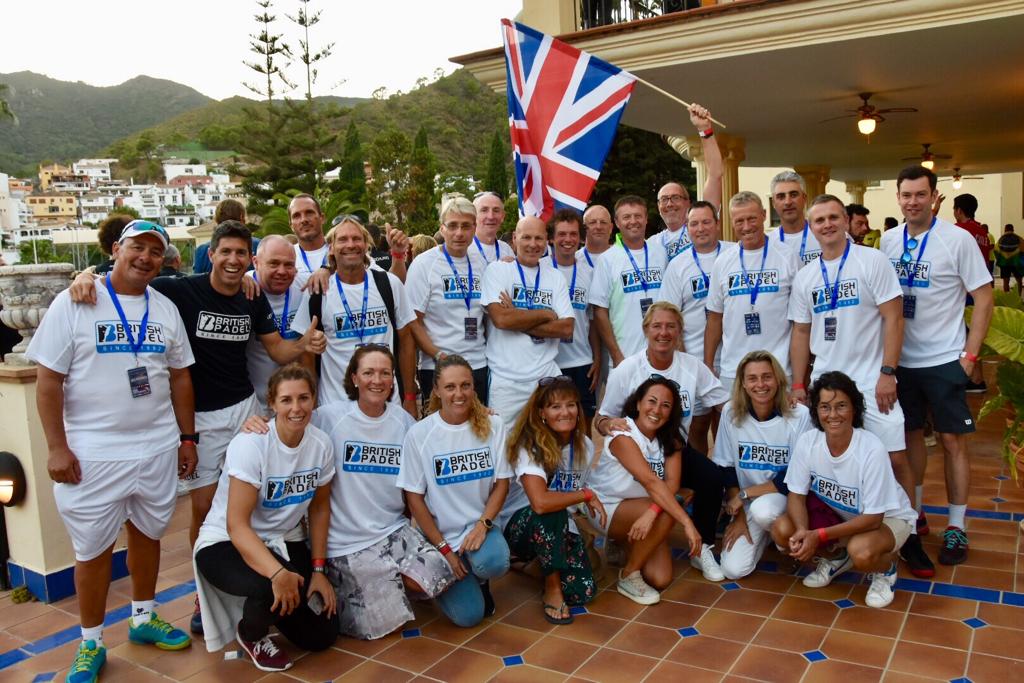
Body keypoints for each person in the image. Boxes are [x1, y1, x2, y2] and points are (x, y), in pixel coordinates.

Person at [68, 220, 327, 635]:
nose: (233, 259)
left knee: (252, 496)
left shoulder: (251, 296)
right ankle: (202, 592)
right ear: (211, 253)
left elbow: (276, 348)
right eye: (225, 251)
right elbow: (132, 279)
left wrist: (305, 344)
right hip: (200, 420)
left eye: (240, 253)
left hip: (244, 409)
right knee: (206, 509)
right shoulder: (180, 289)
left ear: (248, 259)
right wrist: (87, 276)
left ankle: (254, 580)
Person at [28, 220, 197, 682]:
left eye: (156, 252)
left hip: (157, 446)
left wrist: (187, 437)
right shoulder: (75, 301)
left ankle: (143, 618)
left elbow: (180, 374)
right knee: (93, 550)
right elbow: (48, 381)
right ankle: (90, 642)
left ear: (165, 260)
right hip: (93, 452)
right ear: (116, 250)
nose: (146, 258)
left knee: (148, 534)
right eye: (137, 248)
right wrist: (56, 447)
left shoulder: (163, 308)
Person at [788, 194, 919, 568]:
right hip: (827, 388)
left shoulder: (871, 261)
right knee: (826, 462)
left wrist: (888, 372)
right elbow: (801, 333)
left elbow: (894, 318)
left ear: (846, 220)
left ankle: (906, 528)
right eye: (819, 221)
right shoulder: (806, 276)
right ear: (811, 228)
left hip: (871, 382)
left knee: (896, 459)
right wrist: (799, 385)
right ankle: (841, 533)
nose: (827, 225)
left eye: (833, 217)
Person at [880, 166, 993, 567]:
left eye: (919, 194)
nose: (912, 202)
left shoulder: (957, 240)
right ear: (898, 198)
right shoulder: (888, 241)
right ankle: (917, 514)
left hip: (945, 359)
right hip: (901, 363)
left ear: (933, 197)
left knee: (951, 443)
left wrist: (970, 357)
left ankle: (958, 524)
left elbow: (983, 296)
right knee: (910, 440)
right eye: (905, 195)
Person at [193, 364, 337, 671]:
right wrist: (277, 574)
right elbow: (237, 525)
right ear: (271, 403)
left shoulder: (321, 444)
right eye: (286, 400)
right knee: (266, 587)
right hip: (225, 542)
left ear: (314, 400)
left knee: (322, 635)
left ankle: (269, 605)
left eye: (304, 398)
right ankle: (252, 633)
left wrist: (319, 569)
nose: (296, 408)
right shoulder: (251, 444)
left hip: (282, 539)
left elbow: (319, 508)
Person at [595, 302, 729, 578]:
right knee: (652, 488)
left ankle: (702, 546)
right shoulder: (628, 369)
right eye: (657, 326)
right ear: (646, 330)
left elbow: (724, 404)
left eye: (671, 326)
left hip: (671, 447)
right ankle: (620, 532)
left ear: (680, 331)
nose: (663, 332)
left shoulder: (693, 367)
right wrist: (610, 424)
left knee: (711, 477)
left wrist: (767, 412)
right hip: (634, 451)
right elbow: (601, 419)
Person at [772, 372, 918, 609]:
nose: (833, 415)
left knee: (861, 552)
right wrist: (802, 531)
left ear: (854, 409)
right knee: (783, 530)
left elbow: (873, 519)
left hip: (888, 519)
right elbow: (796, 496)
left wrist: (818, 536)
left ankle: (886, 569)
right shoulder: (808, 442)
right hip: (844, 518)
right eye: (825, 407)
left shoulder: (871, 449)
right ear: (816, 411)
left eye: (841, 406)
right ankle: (836, 559)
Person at [397, 355, 513, 627]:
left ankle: (478, 575)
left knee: (495, 562)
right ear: (436, 390)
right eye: (450, 387)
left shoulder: (494, 426)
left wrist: (483, 525)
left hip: (478, 530)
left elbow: (502, 484)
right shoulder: (420, 434)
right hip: (441, 537)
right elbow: (413, 498)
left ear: (474, 388)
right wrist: (445, 550)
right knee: (469, 617)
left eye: (465, 385)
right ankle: (450, 574)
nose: (459, 394)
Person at [587, 377, 703, 604]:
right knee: (673, 507)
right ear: (638, 403)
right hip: (606, 507)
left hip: (642, 508)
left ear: (671, 412)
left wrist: (650, 513)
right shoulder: (623, 435)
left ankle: (623, 542)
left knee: (660, 578)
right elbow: (651, 481)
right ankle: (629, 574)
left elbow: (671, 484)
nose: (657, 410)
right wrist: (687, 524)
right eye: (651, 401)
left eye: (666, 405)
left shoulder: (671, 439)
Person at [501, 376, 605, 624]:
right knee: (551, 509)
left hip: (558, 524)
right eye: (555, 406)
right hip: (519, 526)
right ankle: (552, 587)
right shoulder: (530, 444)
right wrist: (585, 495)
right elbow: (540, 502)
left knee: (584, 590)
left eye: (571, 405)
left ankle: (529, 566)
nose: (565, 412)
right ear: (542, 413)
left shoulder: (585, 446)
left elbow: (574, 491)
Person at [291, 216, 417, 415]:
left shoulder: (389, 284)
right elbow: (306, 354)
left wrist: (409, 396)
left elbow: (407, 340)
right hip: (335, 407)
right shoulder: (318, 290)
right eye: (342, 239)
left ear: (366, 245)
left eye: (356, 239)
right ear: (331, 248)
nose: (351, 245)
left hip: (388, 405)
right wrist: (312, 404)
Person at [713, 352, 812, 580]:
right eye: (753, 378)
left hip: (785, 499)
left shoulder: (799, 415)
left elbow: (797, 474)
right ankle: (767, 533)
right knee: (732, 570)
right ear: (743, 384)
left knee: (764, 511)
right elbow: (726, 467)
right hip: (747, 504)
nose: (760, 384)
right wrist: (737, 516)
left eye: (767, 377)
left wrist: (746, 494)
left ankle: (784, 545)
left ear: (778, 380)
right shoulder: (730, 412)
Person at [658, 200, 736, 449]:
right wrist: (682, 359)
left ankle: (727, 481)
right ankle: (703, 485)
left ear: (716, 224)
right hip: (694, 359)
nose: (700, 228)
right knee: (697, 427)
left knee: (727, 423)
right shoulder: (678, 265)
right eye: (694, 224)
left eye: (705, 222)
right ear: (687, 227)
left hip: (733, 357)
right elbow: (669, 315)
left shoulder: (734, 254)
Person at [482, 216, 574, 425]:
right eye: (526, 238)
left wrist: (517, 315)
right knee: (503, 446)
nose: (533, 244)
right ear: (515, 238)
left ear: (546, 241)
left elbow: (567, 328)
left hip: (546, 377)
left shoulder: (555, 276)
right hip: (506, 382)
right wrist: (546, 313)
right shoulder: (498, 270)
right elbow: (502, 320)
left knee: (551, 444)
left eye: (539, 238)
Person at [705, 191, 801, 389]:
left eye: (752, 219)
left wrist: (800, 378)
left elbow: (801, 323)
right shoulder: (723, 262)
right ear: (731, 222)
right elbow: (714, 319)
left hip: (779, 368)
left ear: (764, 215)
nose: (746, 227)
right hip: (734, 370)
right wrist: (708, 365)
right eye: (739, 221)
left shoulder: (788, 257)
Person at [406, 197, 490, 407]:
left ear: (474, 228)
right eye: (452, 225)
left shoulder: (482, 262)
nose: (459, 233)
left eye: (465, 226)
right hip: (438, 365)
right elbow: (413, 322)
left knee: (478, 431)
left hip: (478, 364)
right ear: (442, 228)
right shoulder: (424, 264)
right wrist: (437, 355)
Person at [591, 195, 667, 367]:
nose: (633, 221)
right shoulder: (607, 260)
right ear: (617, 223)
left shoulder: (661, 254)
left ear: (646, 219)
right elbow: (599, 312)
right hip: (626, 357)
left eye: (638, 216)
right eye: (626, 217)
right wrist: (617, 356)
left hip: (662, 355)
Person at [546, 209, 601, 430]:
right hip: (550, 362)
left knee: (584, 425)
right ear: (551, 238)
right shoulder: (540, 269)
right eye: (561, 234)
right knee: (551, 424)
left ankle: (583, 466)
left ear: (580, 238)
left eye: (573, 234)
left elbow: (593, 322)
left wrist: (597, 359)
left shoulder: (589, 273)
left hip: (582, 362)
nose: (567, 240)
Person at [648, 104, 723, 264]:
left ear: (688, 202)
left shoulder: (700, 223)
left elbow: (715, 174)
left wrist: (705, 129)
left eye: (675, 197)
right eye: (664, 199)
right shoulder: (652, 243)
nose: (669, 204)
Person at [246, 235, 309, 414]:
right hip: (253, 406)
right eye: (273, 264)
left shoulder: (305, 286)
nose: (282, 271)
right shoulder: (243, 289)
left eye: (289, 265)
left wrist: (325, 271)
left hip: (294, 405)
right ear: (256, 262)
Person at [768, 171, 821, 265]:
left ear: (804, 198)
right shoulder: (768, 243)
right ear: (773, 203)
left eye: (793, 195)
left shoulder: (825, 234)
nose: (788, 202)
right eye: (781, 197)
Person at [193, 199, 248, 274]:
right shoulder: (260, 247)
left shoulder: (202, 250)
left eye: (241, 253)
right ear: (242, 217)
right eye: (225, 251)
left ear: (217, 219)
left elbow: (197, 281)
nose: (233, 261)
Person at [288, 194, 330, 288]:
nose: (304, 220)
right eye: (296, 216)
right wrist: (248, 278)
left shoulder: (339, 253)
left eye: (309, 213)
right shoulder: (285, 257)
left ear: (322, 218)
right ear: (291, 225)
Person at [472, 191, 507, 266]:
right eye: (484, 210)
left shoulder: (507, 250)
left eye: (496, 210)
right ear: (473, 215)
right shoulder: (463, 250)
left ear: (503, 216)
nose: (491, 216)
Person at [995, 224, 1022, 295]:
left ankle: (1007, 297)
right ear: (1013, 229)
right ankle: (1019, 297)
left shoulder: (1001, 239)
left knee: (1006, 281)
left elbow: (996, 250)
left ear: (1005, 229)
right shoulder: (1019, 238)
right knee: (1019, 280)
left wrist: (1000, 260)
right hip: (1016, 262)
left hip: (1004, 263)